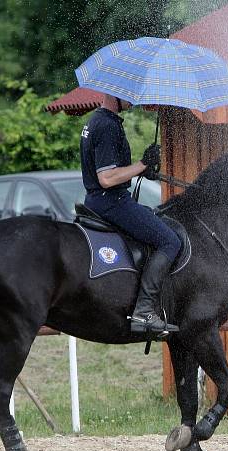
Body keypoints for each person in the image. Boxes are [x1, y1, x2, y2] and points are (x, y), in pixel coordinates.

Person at [80, 93, 181, 335]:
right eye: (128, 95)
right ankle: (144, 311)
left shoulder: (94, 121)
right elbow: (107, 178)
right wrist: (142, 164)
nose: (133, 99)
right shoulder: (107, 125)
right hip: (111, 202)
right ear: (115, 95)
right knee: (170, 240)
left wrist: (142, 170)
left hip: (99, 200)